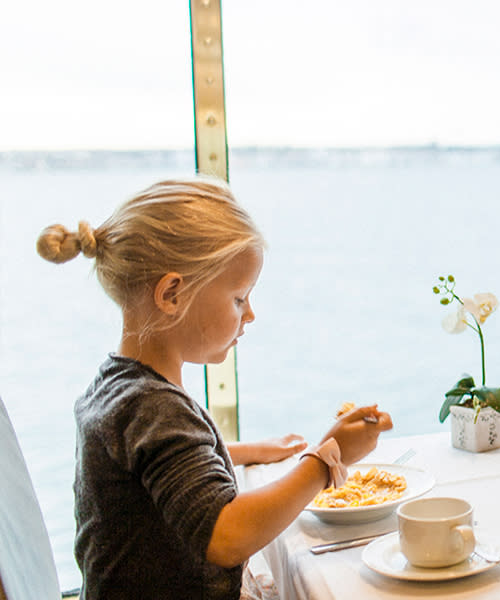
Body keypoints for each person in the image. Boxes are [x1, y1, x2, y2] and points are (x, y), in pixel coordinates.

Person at [36, 177, 394, 599]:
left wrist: (245, 451)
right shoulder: (153, 407)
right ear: (171, 294)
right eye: (239, 298)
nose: (250, 314)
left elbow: (158, 466)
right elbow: (227, 536)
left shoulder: (117, 385)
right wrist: (324, 460)